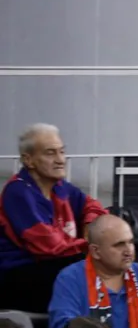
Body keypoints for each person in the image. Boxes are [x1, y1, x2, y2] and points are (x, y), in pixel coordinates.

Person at [0, 123, 105, 311]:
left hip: (53, 267)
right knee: (93, 262)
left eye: (62, 152)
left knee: (116, 248)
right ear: (28, 160)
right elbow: (49, 248)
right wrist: (92, 245)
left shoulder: (60, 186)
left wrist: (91, 227)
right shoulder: (18, 192)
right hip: (18, 277)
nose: (60, 160)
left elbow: (93, 207)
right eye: (50, 153)